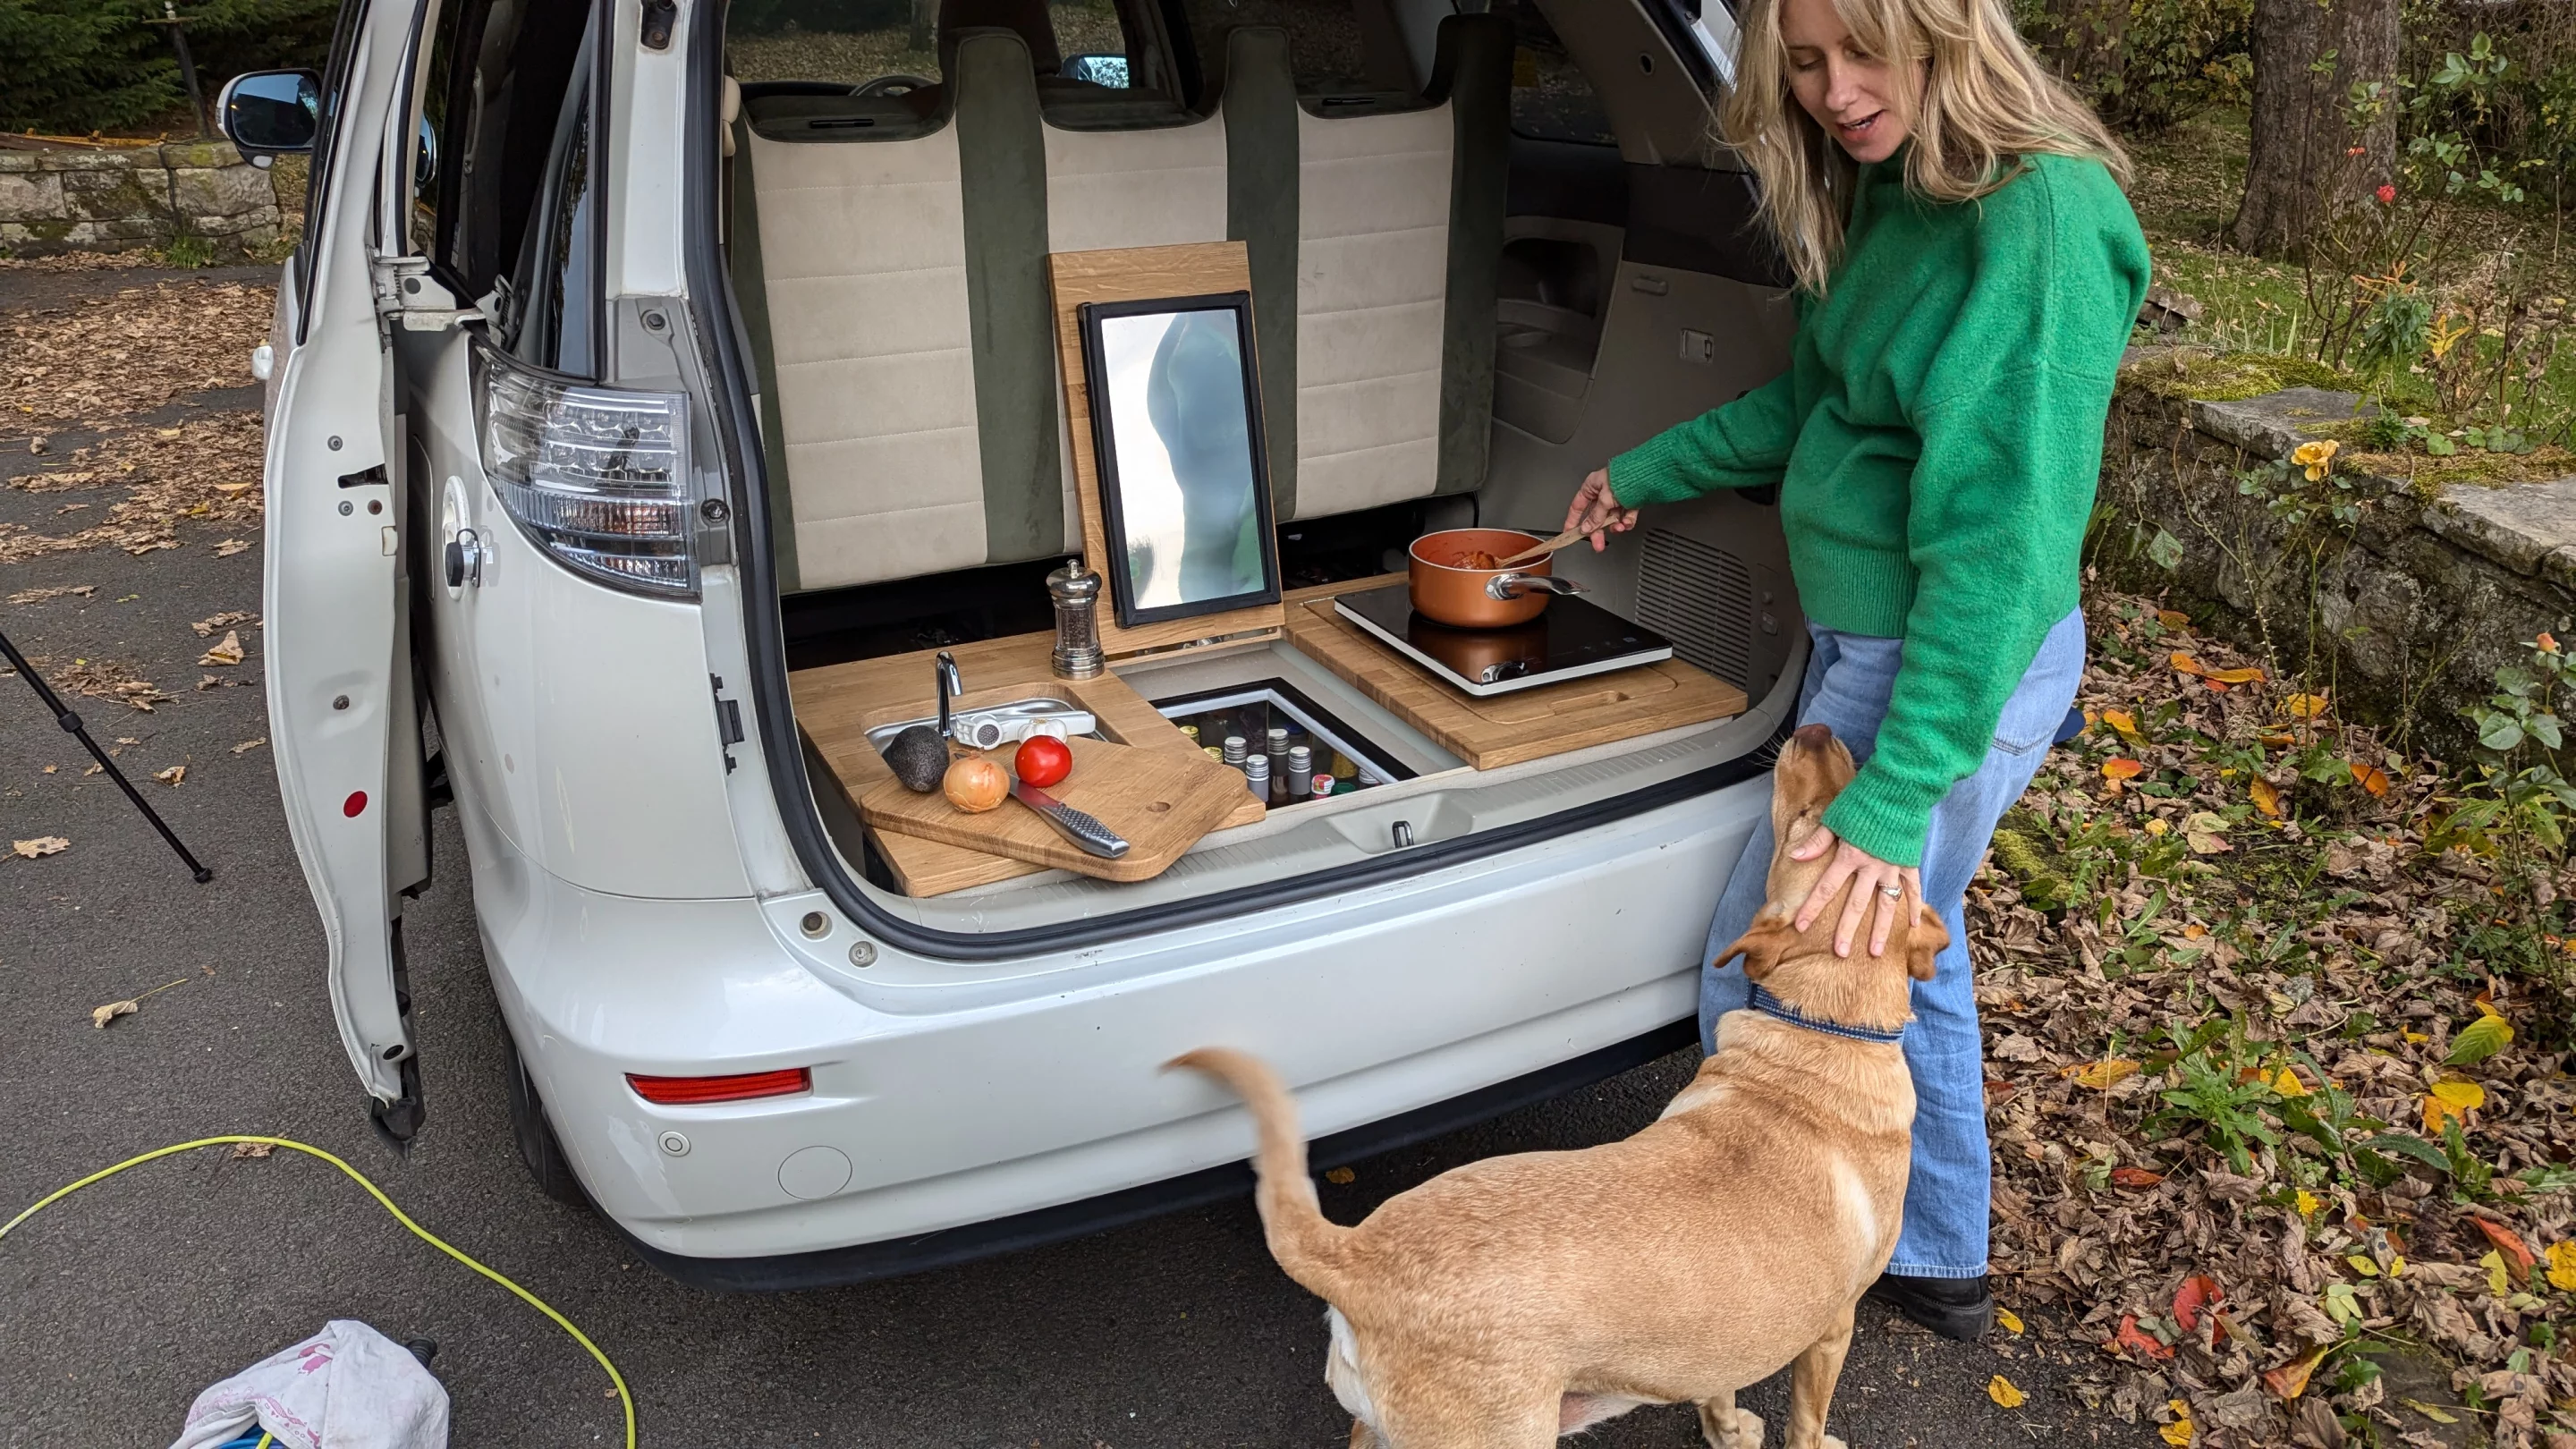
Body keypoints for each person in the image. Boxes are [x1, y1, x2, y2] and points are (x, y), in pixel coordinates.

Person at [1563, 0, 2149, 1340]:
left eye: (1862, 53)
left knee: (1759, 965)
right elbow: (1817, 401)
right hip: (1884, 648)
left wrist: (1892, 798)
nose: (1834, 93)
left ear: (1948, 32)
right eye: (1808, 65)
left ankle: (1757, 1262)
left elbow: (2001, 544)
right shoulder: (1906, 190)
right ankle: (1928, 1247)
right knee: (1898, 955)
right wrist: (1649, 472)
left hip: (1945, 666)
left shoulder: (2037, 220)